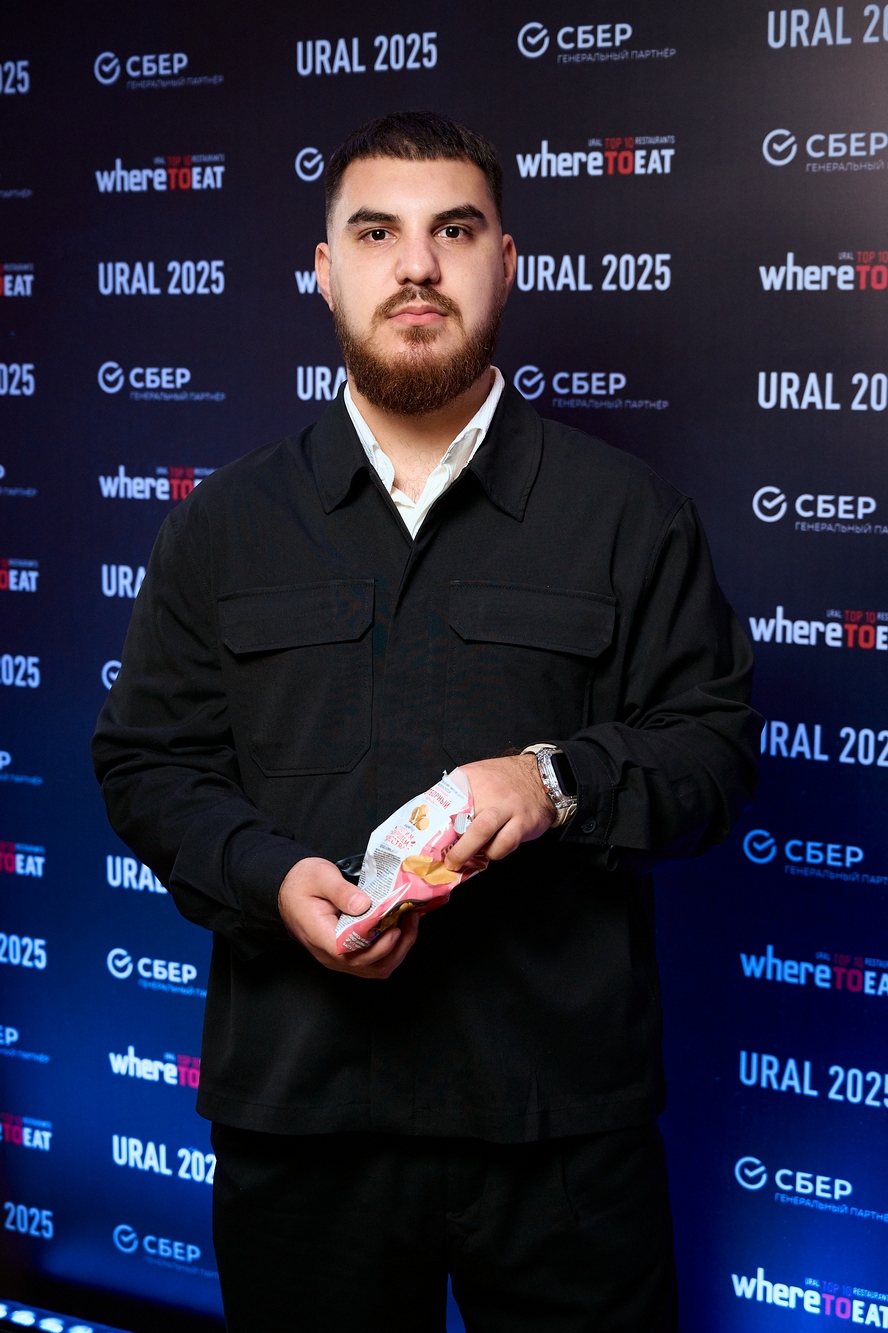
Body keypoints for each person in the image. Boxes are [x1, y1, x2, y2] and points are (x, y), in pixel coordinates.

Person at [92, 111, 758, 1332]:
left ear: (506, 261)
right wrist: (270, 878)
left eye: (453, 231)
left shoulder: (631, 514)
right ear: (324, 269)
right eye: (375, 233)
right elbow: (146, 764)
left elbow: (713, 752)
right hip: (302, 1125)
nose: (415, 266)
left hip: (565, 1136)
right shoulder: (222, 523)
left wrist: (554, 781)